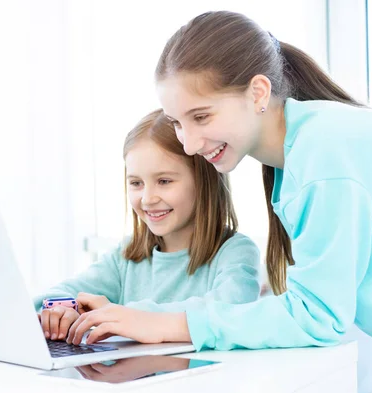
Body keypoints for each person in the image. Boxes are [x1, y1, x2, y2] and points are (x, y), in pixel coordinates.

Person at [67, 10, 372, 364]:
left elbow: (317, 316)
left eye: (201, 116)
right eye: (177, 123)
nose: (190, 144)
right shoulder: (301, 155)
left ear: (258, 93)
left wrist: (160, 324)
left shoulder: (323, 153)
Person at [36, 108, 260, 341]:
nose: (147, 199)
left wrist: (126, 316)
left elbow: (231, 311)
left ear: (205, 182)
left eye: (164, 181)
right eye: (136, 183)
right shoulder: (125, 257)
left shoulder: (235, 253)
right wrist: (58, 311)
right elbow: (57, 295)